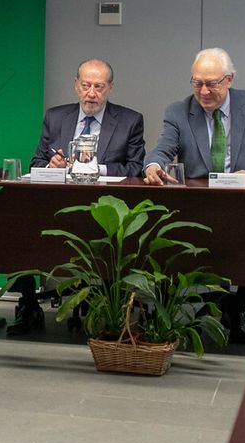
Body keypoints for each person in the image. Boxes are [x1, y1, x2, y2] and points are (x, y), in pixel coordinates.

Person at [143, 48, 245, 343]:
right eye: (197, 83)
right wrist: (153, 165)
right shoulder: (178, 111)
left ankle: (237, 306)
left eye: (211, 83)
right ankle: (172, 312)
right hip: (198, 206)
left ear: (229, 80)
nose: (203, 91)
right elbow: (162, 148)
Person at [10, 58, 146, 333]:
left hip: (105, 210)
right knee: (16, 224)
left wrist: (93, 167)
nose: (91, 93)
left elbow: (136, 169)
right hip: (57, 205)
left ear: (109, 88)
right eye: (85, 85)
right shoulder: (56, 117)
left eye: (98, 86)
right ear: (76, 85)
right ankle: (27, 303)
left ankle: (111, 303)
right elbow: (36, 162)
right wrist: (52, 165)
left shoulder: (130, 120)